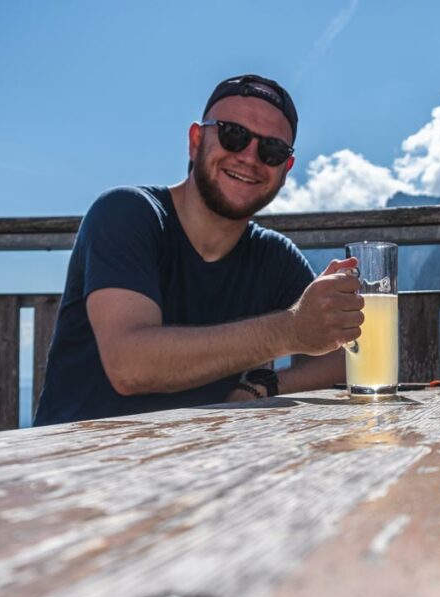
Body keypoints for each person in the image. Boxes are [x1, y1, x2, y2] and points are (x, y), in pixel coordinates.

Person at [34, 74, 363, 426]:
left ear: (285, 169)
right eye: (232, 135)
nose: (250, 157)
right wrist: (289, 331)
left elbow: (345, 349)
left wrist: (265, 384)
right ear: (195, 141)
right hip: (76, 463)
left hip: (200, 464)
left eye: (272, 150)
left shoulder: (273, 256)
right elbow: (130, 366)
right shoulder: (127, 213)